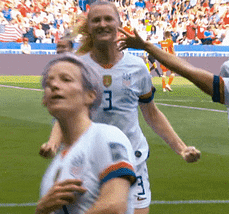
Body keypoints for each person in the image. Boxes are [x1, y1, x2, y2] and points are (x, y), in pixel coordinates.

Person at [39, 1, 201, 214]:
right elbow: (66, 112)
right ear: (88, 27)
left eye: (108, 19)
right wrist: (53, 142)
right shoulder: (79, 68)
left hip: (133, 159)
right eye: (96, 20)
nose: (102, 24)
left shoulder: (137, 67)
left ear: (119, 24)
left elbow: (151, 113)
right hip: (90, 161)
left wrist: (181, 148)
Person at [37, 53, 137, 214]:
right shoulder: (55, 168)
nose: (54, 85)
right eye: (49, 83)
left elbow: (115, 207)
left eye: (66, 79)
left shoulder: (105, 137)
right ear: (44, 100)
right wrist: (41, 211)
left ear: (90, 95)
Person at [117, 27, 229, 121]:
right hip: (170, 59)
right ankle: (167, 85)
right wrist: (147, 46)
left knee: (164, 74)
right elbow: (214, 85)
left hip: (164, 59)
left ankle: (165, 87)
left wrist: (147, 46)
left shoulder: (161, 42)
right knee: (172, 74)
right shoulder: (170, 42)